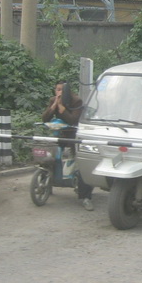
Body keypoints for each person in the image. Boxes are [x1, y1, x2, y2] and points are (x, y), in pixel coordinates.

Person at [43, 80, 94, 210]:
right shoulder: (53, 100)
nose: (58, 92)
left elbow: (72, 119)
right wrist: (54, 105)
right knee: (51, 156)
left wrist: (62, 108)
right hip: (60, 134)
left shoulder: (76, 101)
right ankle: (50, 182)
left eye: (61, 90)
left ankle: (86, 196)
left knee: (81, 163)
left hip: (73, 134)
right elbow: (44, 118)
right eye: (56, 89)